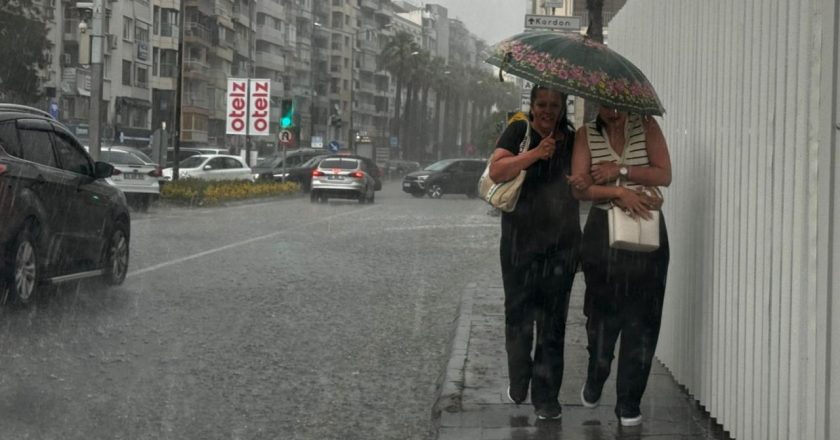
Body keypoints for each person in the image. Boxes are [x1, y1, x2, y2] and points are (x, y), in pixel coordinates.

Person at [567, 105, 672, 427]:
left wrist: (620, 171)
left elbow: (664, 174)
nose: (611, 111)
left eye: (617, 105)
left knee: (644, 318)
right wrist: (617, 192)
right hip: (602, 233)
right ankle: (597, 373)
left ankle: (629, 402)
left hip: (646, 228)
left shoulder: (647, 126)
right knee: (602, 315)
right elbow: (579, 189)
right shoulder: (586, 134)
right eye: (604, 104)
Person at [488, 85, 581, 420]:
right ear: (532, 105)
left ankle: (547, 398)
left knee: (553, 325)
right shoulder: (518, 130)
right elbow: (497, 171)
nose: (547, 111)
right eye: (541, 104)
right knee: (518, 318)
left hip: (562, 246)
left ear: (563, 108)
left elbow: (580, 183)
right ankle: (519, 378)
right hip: (519, 245)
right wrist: (535, 154)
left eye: (554, 105)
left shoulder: (572, 139)